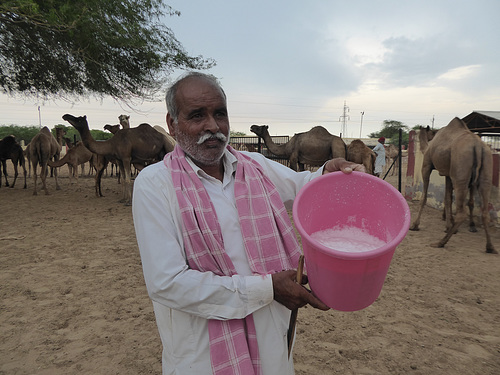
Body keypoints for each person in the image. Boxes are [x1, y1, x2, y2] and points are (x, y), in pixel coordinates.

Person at [132, 71, 366, 375]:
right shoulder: (155, 184)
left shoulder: (253, 166)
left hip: (271, 337)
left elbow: (302, 185)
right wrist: (267, 289)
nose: (213, 126)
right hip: (202, 353)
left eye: (219, 114)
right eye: (197, 115)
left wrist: (328, 173)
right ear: (172, 124)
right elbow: (167, 283)